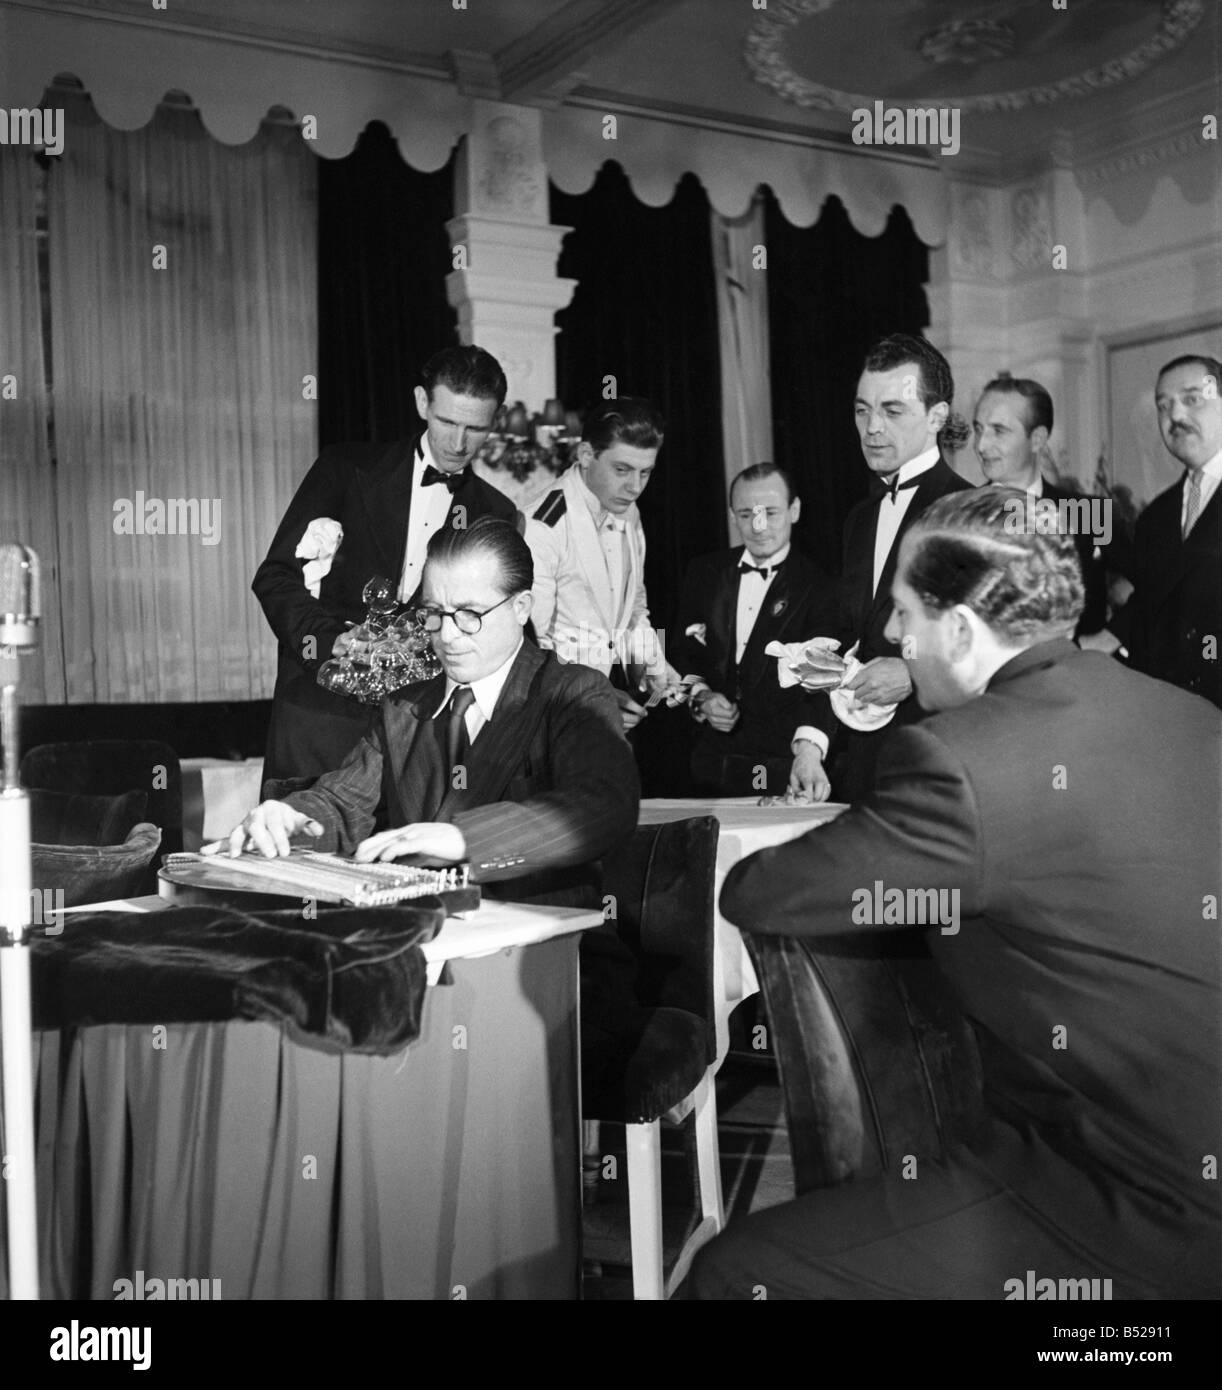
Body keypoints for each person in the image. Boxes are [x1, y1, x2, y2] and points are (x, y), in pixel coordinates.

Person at [684, 487, 1221, 1300]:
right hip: (1176, 1157)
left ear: (962, 632)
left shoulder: (957, 760)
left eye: (903, 615)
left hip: (1128, 1207)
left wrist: (934, 892)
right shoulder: (1190, 715)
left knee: (736, 1274)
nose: (893, 636)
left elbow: (764, 894)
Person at [218, 519, 637, 909]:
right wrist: (292, 817)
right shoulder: (404, 704)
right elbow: (344, 802)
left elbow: (603, 805)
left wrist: (463, 838)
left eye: (470, 615)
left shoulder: (571, 692)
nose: (448, 635)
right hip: (423, 942)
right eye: (434, 614)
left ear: (522, 606)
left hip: (547, 954)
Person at [253, 345, 520, 784]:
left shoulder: (496, 512)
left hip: (416, 734)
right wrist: (327, 639)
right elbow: (276, 576)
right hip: (318, 719)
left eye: (475, 429)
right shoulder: (345, 468)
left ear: (497, 419)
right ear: (422, 403)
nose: (458, 443)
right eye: (448, 422)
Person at [789, 332, 972, 803]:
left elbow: (997, 639)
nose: (872, 427)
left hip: (944, 761)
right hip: (861, 767)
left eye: (892, 411)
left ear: (937, 417)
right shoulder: (859, 519)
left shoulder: (971, 510)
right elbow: (842, 636)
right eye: (861, 409)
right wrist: (810, 745)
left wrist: (914, 671)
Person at [672, 463, 838, 798]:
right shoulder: (704, 572)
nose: (758, 527)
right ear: (732, 515)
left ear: (795, 510)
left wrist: (808, 751)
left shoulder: (823, 585)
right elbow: (681, 653)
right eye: (746, 514)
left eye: (771, 513)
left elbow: (826, 680)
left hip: (779, 767)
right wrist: (701, 698)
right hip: (707, 764)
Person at [525, 397, 680, 733]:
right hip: (552, 714)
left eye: (645, 472)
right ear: (585, 455)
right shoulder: (543, 524)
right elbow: (528, 644)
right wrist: (593, 697)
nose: (635, 487)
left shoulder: (628, 509)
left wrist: (655, 664)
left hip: (609, 701)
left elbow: (633, 608)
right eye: (621, 470)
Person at [972, 374, 1109, 642]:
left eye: (998, 431)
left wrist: (1107, 640)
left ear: (1037, 439)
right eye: (978, 429)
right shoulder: (958, 514)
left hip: (1071, 678)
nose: (981, 445)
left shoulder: (1087, 512)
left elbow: (1153, 584)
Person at [1125, 353, 1222, 708]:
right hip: (1172, 721)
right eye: (1163, 407)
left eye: (1192, 399)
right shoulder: (1155, 517)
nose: (1175, 416)